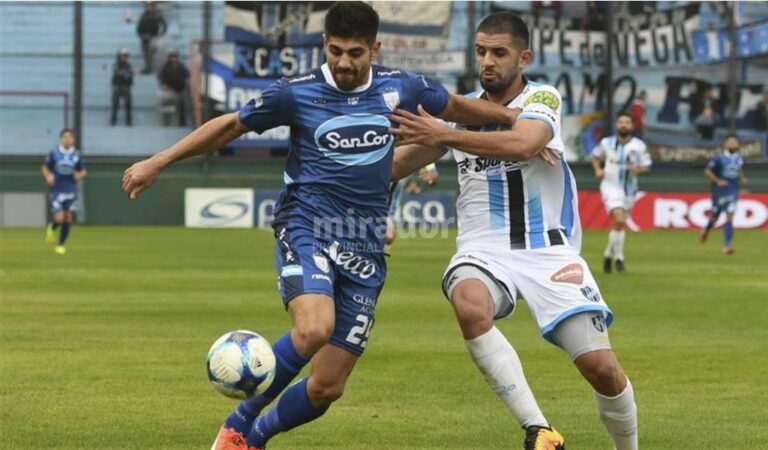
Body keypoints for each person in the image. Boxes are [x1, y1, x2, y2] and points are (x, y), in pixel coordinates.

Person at [122, 3, 523, 449]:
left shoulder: (403, 87)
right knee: (314, 328)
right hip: (307, 225)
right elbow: (230, 127)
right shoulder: (295, 93)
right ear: (323, 45)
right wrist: (158, 162)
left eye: (355, 52)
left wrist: (517, 119)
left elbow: (456, 108)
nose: (344, 62)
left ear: (375, 48)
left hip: (365, 246)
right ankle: (237, 424)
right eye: (335, 51)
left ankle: (254, 439)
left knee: (327, 386)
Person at [391, 11, 637, 450]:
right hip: (482, 249)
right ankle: (539, 429)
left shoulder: (542, 99)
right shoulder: (455, 113)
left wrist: (445, 135)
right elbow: (393, 166)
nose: (488, 61)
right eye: (481, 51)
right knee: (469, 303)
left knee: (602, 368)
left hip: (549, 250)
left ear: (523, 57)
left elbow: (524, 141)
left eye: (499, 53)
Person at [591, 113, 652, 273]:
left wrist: (637, 170)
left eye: (627, 122)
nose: (623, 125)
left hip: (629, 190)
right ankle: (612, 256)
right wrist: (598, 170)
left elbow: (647, 167)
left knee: (620, 223)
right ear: (617, 125)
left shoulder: (639, 146)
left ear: (632, 126)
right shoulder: (607, 143)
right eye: (621, 122)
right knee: (618, 219)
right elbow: (595, 156)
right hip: (610, 186)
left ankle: (615, 256)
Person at [700, 134, 748, 254]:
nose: (732, 144)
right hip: (719, 191)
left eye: (734, 142)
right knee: (715, 216)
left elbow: (739, 169)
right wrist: (717, 181)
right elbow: (707, 171)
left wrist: (742, 178)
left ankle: (727, 246)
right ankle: (706, 229)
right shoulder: (719, 158)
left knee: (730, 215)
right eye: (730, 142)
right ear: (725, 144)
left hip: (733, 190)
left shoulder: (739, 158)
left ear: (738, 144)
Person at [42, 129, 87, 255]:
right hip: (57, 189)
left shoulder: (77, 155)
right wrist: (48, 176)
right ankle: (52, 227)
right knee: (59, 217)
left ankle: (60, 244)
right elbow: (45, 167)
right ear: (61, 139)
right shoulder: (54, 153)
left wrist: (79, 175)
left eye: (70, 137)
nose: (68, 140)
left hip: (71, 189)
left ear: (73, 139)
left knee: (68, 217)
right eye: (65, 137)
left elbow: (83, 171)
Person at [385, 163, 438, 248]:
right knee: (389, 236)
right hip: (377, 210)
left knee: (389, 237)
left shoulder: (402, 160)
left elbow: (423, 154)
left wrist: (431, 170)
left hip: (387, 212)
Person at [158, 52, 190, 127]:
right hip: (169, 89)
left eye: (175, 57)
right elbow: (161, 77)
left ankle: (182, 123)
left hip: (180, 89)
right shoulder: (165, 67)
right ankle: (167, 123)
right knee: (167, 105)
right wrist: (163, 85)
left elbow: (187, 74)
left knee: (182, 106)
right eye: (172, 57)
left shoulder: (181, 66)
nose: (173, 59)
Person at [136, 2, 166, 74]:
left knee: (153, 53)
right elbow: (139, 26)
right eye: (148, 6)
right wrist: (140, 34)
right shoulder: (144, 15)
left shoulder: (157, 15)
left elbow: (164, 24)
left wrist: (161, 33)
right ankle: (148, 68)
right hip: (145, 37)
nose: (150, 8)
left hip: (154, 36)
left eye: (151, 6)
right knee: (146, 54)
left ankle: (154, 68)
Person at [111, 49, 134, 126]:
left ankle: (129, 120)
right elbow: (115, 77)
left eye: (125, 56)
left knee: (128, 101)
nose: (124, 58)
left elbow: (130, 78)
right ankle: (113, 119)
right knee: (115, 101)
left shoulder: (129, 66)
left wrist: (124, 76)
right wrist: (123, 75)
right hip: (118, 85)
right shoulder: (115, 65)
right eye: (122, 56)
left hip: (126, 86)